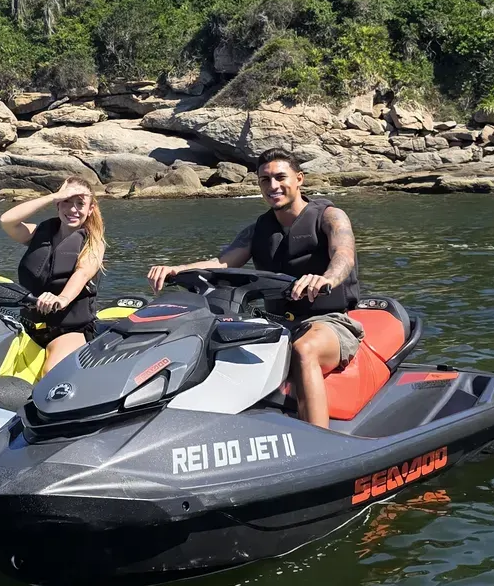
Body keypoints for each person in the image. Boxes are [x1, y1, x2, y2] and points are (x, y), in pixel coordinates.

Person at [147, 148, 362, 429]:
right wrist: (177, 269)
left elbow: (343, 255)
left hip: (329, 321)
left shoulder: (330, 217)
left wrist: (326, 279)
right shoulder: (259, 229)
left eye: (280, 177)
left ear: (299, 179)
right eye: (265, 180)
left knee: (304, 349)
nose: (272, 186)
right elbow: (222, 263)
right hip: (276, 322)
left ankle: (320, 441)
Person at [0, 178, 107, 377]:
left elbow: (82, 273)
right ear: (58, 204)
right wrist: (53, 195)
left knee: (52, 373)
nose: (73, 209)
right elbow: (7, 221)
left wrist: (61, 299)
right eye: (67, 201)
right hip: (29, 324)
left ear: (90, 209)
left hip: (70, 329)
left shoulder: (94, 242)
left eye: (80, 203)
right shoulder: (39, 233)